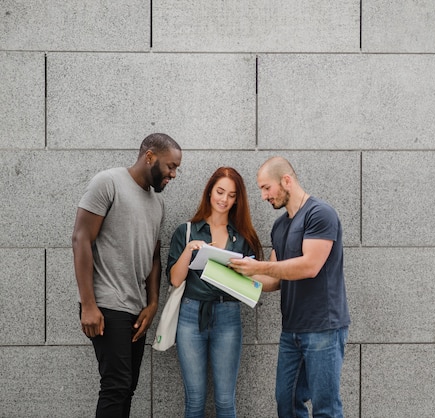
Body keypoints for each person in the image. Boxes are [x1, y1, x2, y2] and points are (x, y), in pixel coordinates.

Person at [229, 156, 351, 418]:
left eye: (266, 187)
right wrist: (232, 273)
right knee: (287, 402)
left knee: (325, 408)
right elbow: (274, 280)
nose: (263, 196)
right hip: (292, 330)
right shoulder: (280, 225)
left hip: (323, 328)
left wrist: (258, 267)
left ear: (287, 180)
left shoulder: (320, 213)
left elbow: (310, 266)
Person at [72, 133, 182, 417]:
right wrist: (88, 304)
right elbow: (81, 239)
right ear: (150, 157)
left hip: (136, 307)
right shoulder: (108, 182)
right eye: (171, 166)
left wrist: (153, 303)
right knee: (116, 385)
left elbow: (154, 256)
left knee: (127, 387)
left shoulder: (157, 204)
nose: (173, 174)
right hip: (106, 304)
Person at [167, 167, 263, 418]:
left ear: (237, 199)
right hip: (191, 314)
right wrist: (190, 249)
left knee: (224, 400)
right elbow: (176, 280)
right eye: (220, 192)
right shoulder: (186, 231)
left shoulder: (244, 236)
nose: (224, 199)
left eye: (231, 195)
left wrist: (242, 271)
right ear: (209, 191)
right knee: (195, 400)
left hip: (228, 314)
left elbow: (257, 280)